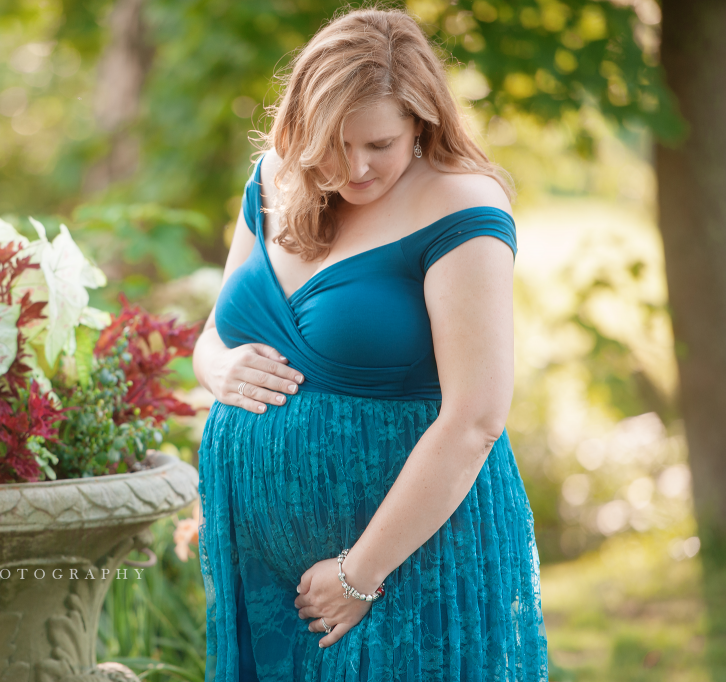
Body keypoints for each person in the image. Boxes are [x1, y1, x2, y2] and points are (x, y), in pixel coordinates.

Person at [191, 7, 548, 682]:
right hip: (268, 575)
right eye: (335, 144)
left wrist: (359, 573)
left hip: (401, 564)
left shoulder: (460, 207)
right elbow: (211, 337)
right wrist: (220, 368)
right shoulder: (273, 179)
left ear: (421, 122)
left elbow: (475, 419)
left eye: (378, 145)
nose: (355, 168)